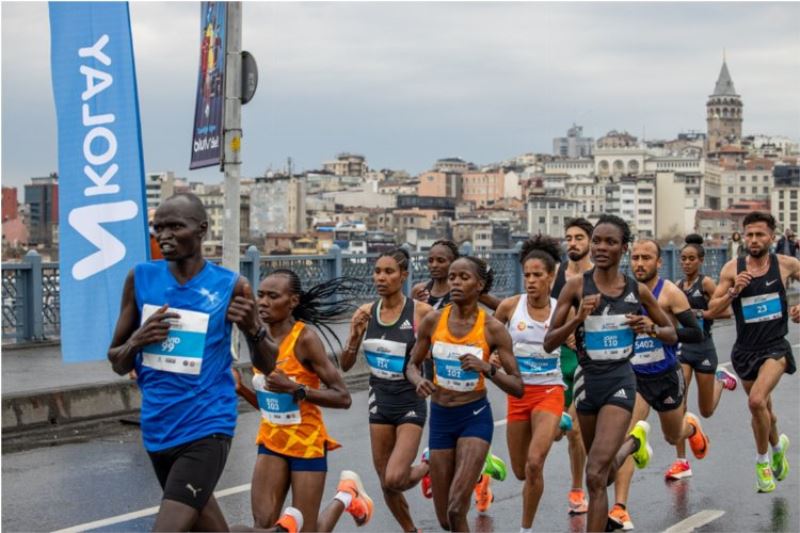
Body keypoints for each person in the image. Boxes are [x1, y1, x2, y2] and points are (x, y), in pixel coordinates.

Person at [107, 193, 279, 532]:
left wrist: (254, 328)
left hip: (207, 425)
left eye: (175, 226)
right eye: (158, 228)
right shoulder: (140, 278)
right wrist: (138, 340)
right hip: (157, 427)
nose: (164, 235)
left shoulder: (231, 285)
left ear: (202, 229)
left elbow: (269, 363)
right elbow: (116, 359)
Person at [543, 215, 678, 533]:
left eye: (610, 242)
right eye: (598, 241)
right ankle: (633, 444)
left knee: (594, 473)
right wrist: (578, 319)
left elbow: (672, 333)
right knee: (599, 475)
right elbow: (549, 342)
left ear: (623, 248)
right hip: (587, 383)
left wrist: (651, 327)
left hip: (621, 382)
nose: (602, 247)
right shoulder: (576, 286)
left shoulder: (637, 291)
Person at [244, 269, 374, 532]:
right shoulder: (259, 338)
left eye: (272, 296)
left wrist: (296, 388)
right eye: (260, 295)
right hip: (271, 440)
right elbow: (268, 404)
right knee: (263, 525)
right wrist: (240, 389)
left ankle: (346, 496)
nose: (263, 302)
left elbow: (343, 397)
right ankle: (347, 494)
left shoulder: (305, 339)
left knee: (306, 530)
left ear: (292, 301)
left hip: (305, 443)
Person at [406, 256, 524, 532]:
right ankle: (480, 471)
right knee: (446, 520)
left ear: (479, 284)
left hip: (474, 418)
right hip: (441, 419)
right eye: (452, 277)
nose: (455, 282)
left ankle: (478, 465)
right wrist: (418, 380)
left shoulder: (492, 328)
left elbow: (518, 386)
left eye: (464, 277)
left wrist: (487, 368)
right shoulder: (433, 321)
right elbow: (411, 364)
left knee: (457, 507)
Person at [609, 239, 708, 530]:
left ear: (659, 262)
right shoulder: (621, 291)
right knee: (625, 438)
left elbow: (695, 334)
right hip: (633, 377)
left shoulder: (669, 293)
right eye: (636, 257)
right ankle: (620, 508)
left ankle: (691, 427)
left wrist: (654, 328)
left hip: (665, 376)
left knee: (671, 435)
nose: (640, 263)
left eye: (647, 258)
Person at [341, 248, 433, 532]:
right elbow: (345, 365)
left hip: (409, 399)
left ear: (404, 276)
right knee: (386, 482)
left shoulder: (421, 313)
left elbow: (440, 352)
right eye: (378, 271)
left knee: (395, 478)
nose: (381, 278)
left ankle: (429, 464)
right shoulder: (365, 313)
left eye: (389, 272)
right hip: (379, 398)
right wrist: (355, 338)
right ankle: (410, 530)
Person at [708, 211, 800, 493]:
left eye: (760, 234)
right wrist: (734, 291)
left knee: (756, 401)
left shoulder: (785, 264)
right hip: (745, 351)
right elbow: (713, 310)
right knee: (766, 414)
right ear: (743, 236)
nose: (754, 239)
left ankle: (761, 462)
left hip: (775, 347)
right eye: (750, 234)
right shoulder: (731, 270)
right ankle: (776, 447)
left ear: (772, 237)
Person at [493, 235, 567, 533]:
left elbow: (577, 343)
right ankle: (558, 428)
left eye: (538, 275)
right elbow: (487, 341)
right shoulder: (510, 308)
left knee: (535, 463)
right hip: (519, 394)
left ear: (551, 276)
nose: (531, 281)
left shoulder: (561, 309)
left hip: (550, 390)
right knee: (521, 471)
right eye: (527, 275)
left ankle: (526, 528)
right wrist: (494, 357)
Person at [669, 234, 737, 481]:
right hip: (684, 349)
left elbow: (726, 312)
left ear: (700, 261)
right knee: (680, 403)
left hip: (705, 348)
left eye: (691, 259)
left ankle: (721, 380)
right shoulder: (676, 287)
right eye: (683, 259)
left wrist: (702, 313)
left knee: (706, 410)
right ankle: (681, 461)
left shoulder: (706, 283)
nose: (686, 263)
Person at [550, 217, 593, 515]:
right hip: (558, 358)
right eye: (569, 237)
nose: (573, 243)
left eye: (579, 237)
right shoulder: (557, 274)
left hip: (588, 359)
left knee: (575, 430)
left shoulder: (599, 274)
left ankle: (577, 488)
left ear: (590, 241)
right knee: (555, 432)